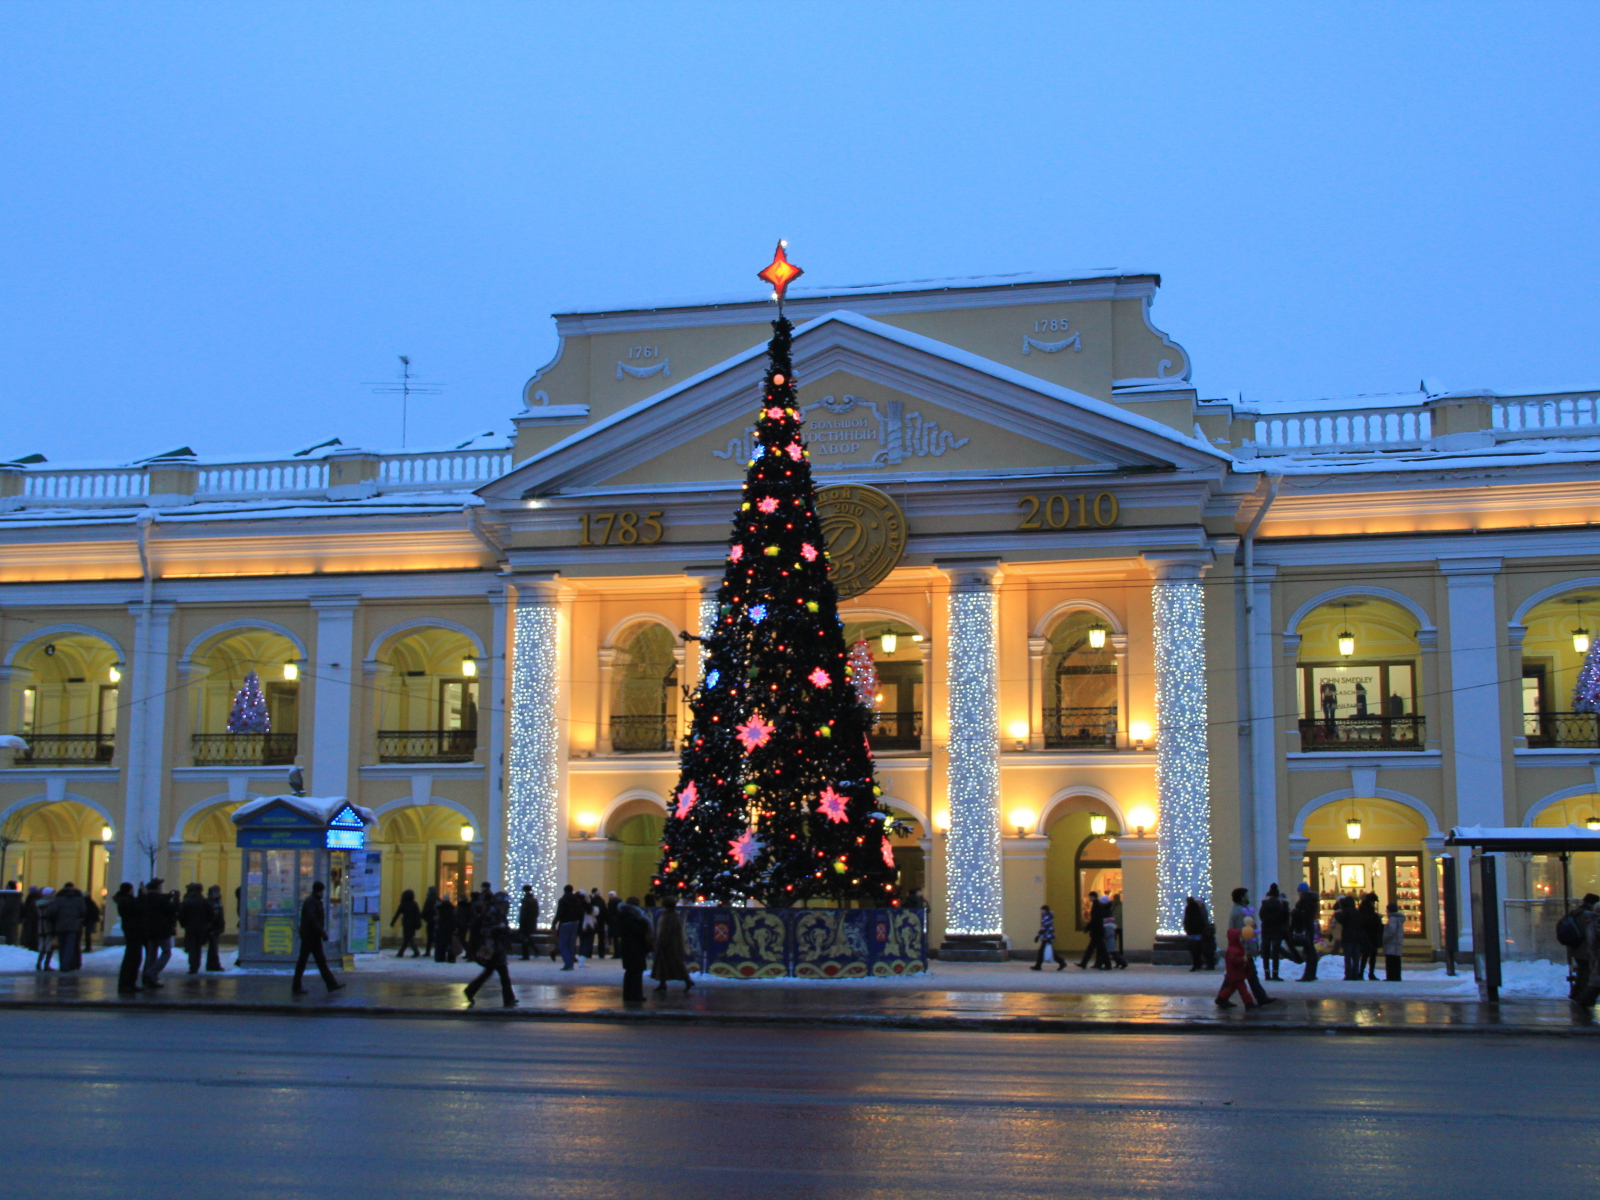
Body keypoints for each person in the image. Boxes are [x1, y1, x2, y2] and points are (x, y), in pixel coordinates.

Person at [463, 898, 517, 1009]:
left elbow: (504, 930)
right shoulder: (493, 914)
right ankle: (508, 998)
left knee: (491, 972)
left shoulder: (499, 914)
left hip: (498, 948)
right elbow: (486, 930)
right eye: (504, 903)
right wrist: (499, 929)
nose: (506, 906)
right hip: (493, 949)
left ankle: (470, 990)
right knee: (502, 974)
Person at [292, 881, 343, 995]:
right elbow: (312, 919)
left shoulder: (314, 901)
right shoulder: (311, 902)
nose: (323, 893)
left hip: (313, 936)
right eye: (322, 891)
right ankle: (296, 986)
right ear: (318, 891)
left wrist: (320, 933)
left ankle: (331, 984)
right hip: (310, 936)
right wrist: (323, 932)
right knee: (304, 962)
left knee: (320, 961)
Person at [614, 896, 653, 1002]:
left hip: (627, 947)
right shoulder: (634, 917)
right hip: (636, 947)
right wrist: (645, 924)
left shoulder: (622, 915)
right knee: (636, 972)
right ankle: (636, 995)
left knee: (629, 972)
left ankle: (627, 995)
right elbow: (639, 931)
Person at [139, 879, 177, 988]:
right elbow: (172, 909)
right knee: (166, 952)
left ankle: (150, 978)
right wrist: (175, 899)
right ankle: (151, 973)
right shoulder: (161, 899)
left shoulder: (146, 898)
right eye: (160, 885)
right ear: (157, 887)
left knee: (151, 954)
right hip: (162, 930)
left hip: (149, 930)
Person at [651, 898, 694, 992]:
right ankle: (663, 983)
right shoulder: (673, 915)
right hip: (673, 944)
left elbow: (665, 931)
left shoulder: (668, 916)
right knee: (669, 964)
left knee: (671, 964)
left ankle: (686, 981)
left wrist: (661, 942)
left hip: (668, 944)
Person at [112, 882, 144, 993]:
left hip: (131, 929)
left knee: (133, 957)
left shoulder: (124, 900)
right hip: (133, 930)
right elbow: (137, 909)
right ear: (129, 890)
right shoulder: (126, 901)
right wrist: (142, 895)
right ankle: (127, 983)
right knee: (133, 958)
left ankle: (129, 982)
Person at [1215, 928, 1257, 1009]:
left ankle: (1221, 998)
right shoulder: (1233, 950)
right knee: (1242, 989)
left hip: (1236, 973)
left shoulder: (1235, 948)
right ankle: (1248, 1002)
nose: (1241, 938)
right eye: (1239, 936)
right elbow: (1234, 961)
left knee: (1232, 987)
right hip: (1236, 973)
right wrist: (1243, 959)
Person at [1258, 883, 1293, 981]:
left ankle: (1267, 974)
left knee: (1266, 951)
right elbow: (1285, 916)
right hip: (1276, 929)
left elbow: (1261, 916)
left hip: (1266, 929)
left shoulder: (1265, 903)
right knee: (1275, 952)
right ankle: (1275, 974)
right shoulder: (1280, 903)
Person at [178, 882, 212, 974]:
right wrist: (207, 924)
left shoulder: (186, 901)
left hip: (190, 928)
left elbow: (181, 915)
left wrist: (183, 924)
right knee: (198, 947)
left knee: (192, 947)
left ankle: (193, 966)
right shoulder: (205, 901)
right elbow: (211, 914)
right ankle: (196, 964)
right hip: (202, 928)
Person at [1290, 883, 1320, 982]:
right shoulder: (1312, 901)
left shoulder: (1304, 902)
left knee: (1309, 951)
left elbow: (1303, 916)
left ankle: (1308, 975)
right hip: (1309, 928)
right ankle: (1311, 973)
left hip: (1305, 928)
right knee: (1311, 950)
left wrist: (1295, 913)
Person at [554, 884, 584, 970]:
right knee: (571, 944)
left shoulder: (563, 900)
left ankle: (568, 963)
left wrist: (554, 923)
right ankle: (571, 963)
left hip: (565, 923)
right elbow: (581, 913)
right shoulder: (577, 900)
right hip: (575, 923)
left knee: (563, 944)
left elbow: (559, 913)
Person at [1334, 895, 1364, 981]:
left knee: (1348, 956)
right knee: (1356, 957)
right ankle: (1355, 974)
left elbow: (1341, 919)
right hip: (1357, 936)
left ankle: (1348, 974)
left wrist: (1337, 913)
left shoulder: (1345, 911)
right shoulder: (1357, 912)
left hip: (1347, 935)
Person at [1078, 891, 1109, 969]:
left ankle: (1084, 963)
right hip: (1097, 931)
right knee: (1097, 949)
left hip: (1097, 931)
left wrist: (1087, 928)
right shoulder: (1097, 905)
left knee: (1098, 949)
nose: (1089, 898)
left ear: (1093, 897)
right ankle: (1084, 963)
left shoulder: (1096, 906)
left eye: (1090, 896)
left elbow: (1095, 919)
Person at [1182, 896, 1212, 971]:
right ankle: (1199, 964)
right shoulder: (1198, 909)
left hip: (1193, 932)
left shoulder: (1190, 909)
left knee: (1194, 950)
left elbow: (1187, 920)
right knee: (1198, 949)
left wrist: (1187, 928)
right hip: (1197, 932)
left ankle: (1197, 964)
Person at [1359, 892, 1384, 981]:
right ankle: (1369, 973)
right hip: (1371, 935)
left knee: (1365, 955)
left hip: (1366, 935)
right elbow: (1370, 921)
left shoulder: (1362, 909)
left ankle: (1361, 973)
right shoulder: (1369, 910)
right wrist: (1377, 918)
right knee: (1371, 955)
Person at [391, 888, 422, 957]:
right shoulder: (414, 904)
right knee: (407, 938)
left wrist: (393, 922)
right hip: (413, 924)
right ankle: (401, 952)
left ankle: (415, 951)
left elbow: (397, 914)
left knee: (408, 938)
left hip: (406, 923)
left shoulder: (403, 904)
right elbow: (418, 914)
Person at [1031, 904, 1061, 971]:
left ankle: (1038, 965)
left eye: (1042, 910)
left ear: (1044, 910)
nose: (1041, 911)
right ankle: (1061, 962)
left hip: (1047, 937)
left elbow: (1044, 928)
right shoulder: (1048, 916)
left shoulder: (1046, 917)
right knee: (1049, 951)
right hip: (1048, 936)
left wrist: (1038, 936)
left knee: (1041, 951)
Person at [34, 886, 57, 970]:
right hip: (49, 925)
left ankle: (39, 963)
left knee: (42, 946)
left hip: (41, 925)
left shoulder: (38, 903)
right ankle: (46, 964)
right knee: (49, 946)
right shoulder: (51, 903)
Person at [205, 885, 227, 971]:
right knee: (213, 948)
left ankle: (212, 964)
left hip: (216, 928)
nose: (218, 894)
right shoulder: (211, 903)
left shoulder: (217, 902)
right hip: (212, 929)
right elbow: (211, 917)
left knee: (214, 948)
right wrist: (211, 928)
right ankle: (214, 965)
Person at [1382, 901, 1405, 981]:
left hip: (1391, 944)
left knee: (1391, 962)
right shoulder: (1399, 919)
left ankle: (1391, 977)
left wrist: (1384, 937)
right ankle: (1396, 977)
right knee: (1396, 962)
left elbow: (1391, 931)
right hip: (1397, 944)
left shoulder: (1392, 919)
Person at [1101, 904, 1128, 969]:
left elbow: (1108, 935)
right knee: (1113, 954)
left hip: (1109, 942)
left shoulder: (1108, 927)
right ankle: (1120, 963)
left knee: (1113, 954)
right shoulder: (1111, 926)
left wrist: (1104, 937)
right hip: (1111, 942)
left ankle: (1123, 963)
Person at [518, 885, 540, 959]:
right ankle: (535, 950)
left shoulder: (525, 900)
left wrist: (521, 922)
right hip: (532, 921)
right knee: (528, 937)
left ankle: (526, 955)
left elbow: (524, 913)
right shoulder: (534, 900)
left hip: (525, 922)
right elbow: (537, 912)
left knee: (524, 938)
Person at [434, 893, 457, 963]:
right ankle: (451, 958)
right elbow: (453, 918)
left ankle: (440, 957)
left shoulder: (440, 907)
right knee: (449, 943)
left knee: (440, 943)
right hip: (449, 928)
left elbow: (438, 917)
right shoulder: (452, 908)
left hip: (441, 927)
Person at [578, 891, 597, 960]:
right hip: (588, 925)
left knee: (582, 941)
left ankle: (581, 954)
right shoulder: (588, 906)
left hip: (582, 925)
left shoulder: (579, 905)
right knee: (587, 942)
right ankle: (583, 955)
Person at [20, 885, 40, 952]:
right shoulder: (39, 898)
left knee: (30, 934)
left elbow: (26, 909)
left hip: (30, 920)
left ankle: (30, 945)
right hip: (36, 921)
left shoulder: (30, 898)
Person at [590, 888, 609, 958]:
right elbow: (605, 912)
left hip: (593, 921)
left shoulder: (591, 900)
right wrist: (607, 921)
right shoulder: (601, 901)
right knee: (601, 939)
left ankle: (589, 953)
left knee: (591, 938)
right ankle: (601, 954)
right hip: (600, 921)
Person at [421, 886, 438, 957]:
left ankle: (428, 951)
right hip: (436, 920)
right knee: (436, 936)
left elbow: (425, 909)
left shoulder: (429, 899)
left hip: (430, 920)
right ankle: (437, 951)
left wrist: (423, 917)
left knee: (430, 937)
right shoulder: (437, 899)